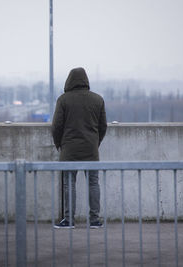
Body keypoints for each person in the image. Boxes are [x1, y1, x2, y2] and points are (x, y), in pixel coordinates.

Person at [51, 67, 107, 229]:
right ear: (86, 81)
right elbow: (103, 126)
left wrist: (59, 145)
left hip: (69, 149)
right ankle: (94, 220)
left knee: (69, 184)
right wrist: (95, 143)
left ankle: (69, 220)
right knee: (93, 183)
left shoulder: (63, 100)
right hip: (91, 149)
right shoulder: (98, 100)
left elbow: (56, 127)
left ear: (69, 81)